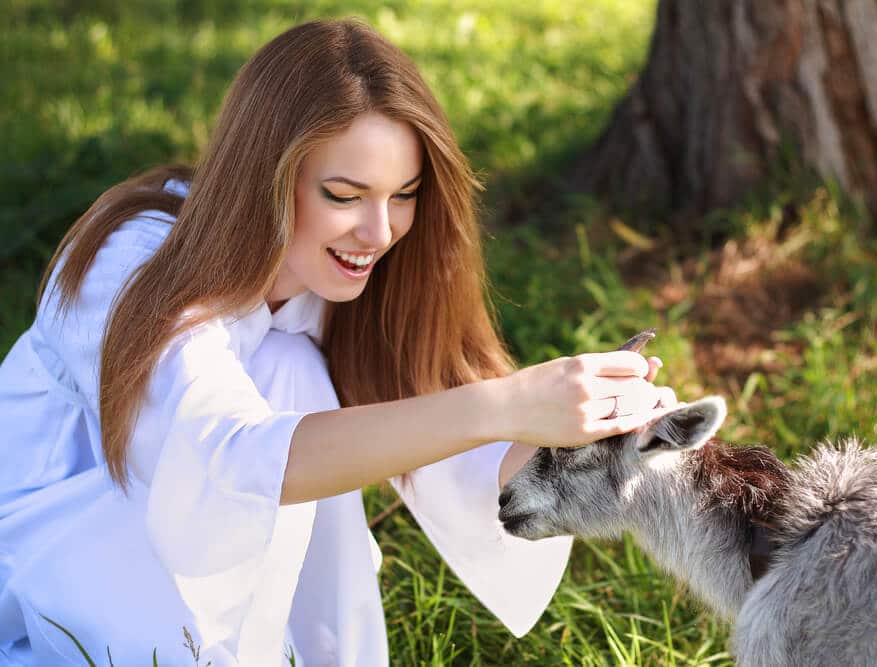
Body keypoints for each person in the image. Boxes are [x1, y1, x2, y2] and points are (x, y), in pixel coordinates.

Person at [0, 18, 675, 667]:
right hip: (55, 553)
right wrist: (505, 403)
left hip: (192, 557)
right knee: (284, 386)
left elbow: (458, 455)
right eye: (345, 194)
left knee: (293, 367)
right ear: (264, 177)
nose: (380, 233)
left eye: (403, 195)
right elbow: (225, 461)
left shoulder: (341, 280)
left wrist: (570, 430)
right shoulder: (133, 262)